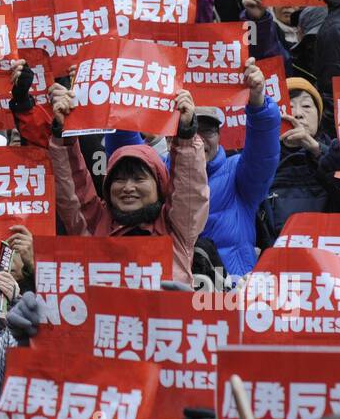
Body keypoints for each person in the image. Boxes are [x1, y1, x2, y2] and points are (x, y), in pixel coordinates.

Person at [106, 59, 281, 277]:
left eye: (207, 129)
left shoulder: (238, 174)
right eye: (189, 127)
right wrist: (120, 96)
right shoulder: (157, 174)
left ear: (220, 136)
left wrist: (258, 103)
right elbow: (126, 151)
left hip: (230, 293)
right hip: (169, 289)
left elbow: (264, 154)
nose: (198, 137)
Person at [46, 84, 209, 285]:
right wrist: (64, 132)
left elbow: (189, 189)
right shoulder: (95, 224)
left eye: (139, 179)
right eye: (119, 179)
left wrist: (185, 134)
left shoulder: (175, 227)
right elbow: (73, 186)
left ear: (159, 186)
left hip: (167, 315)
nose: (128, 187)